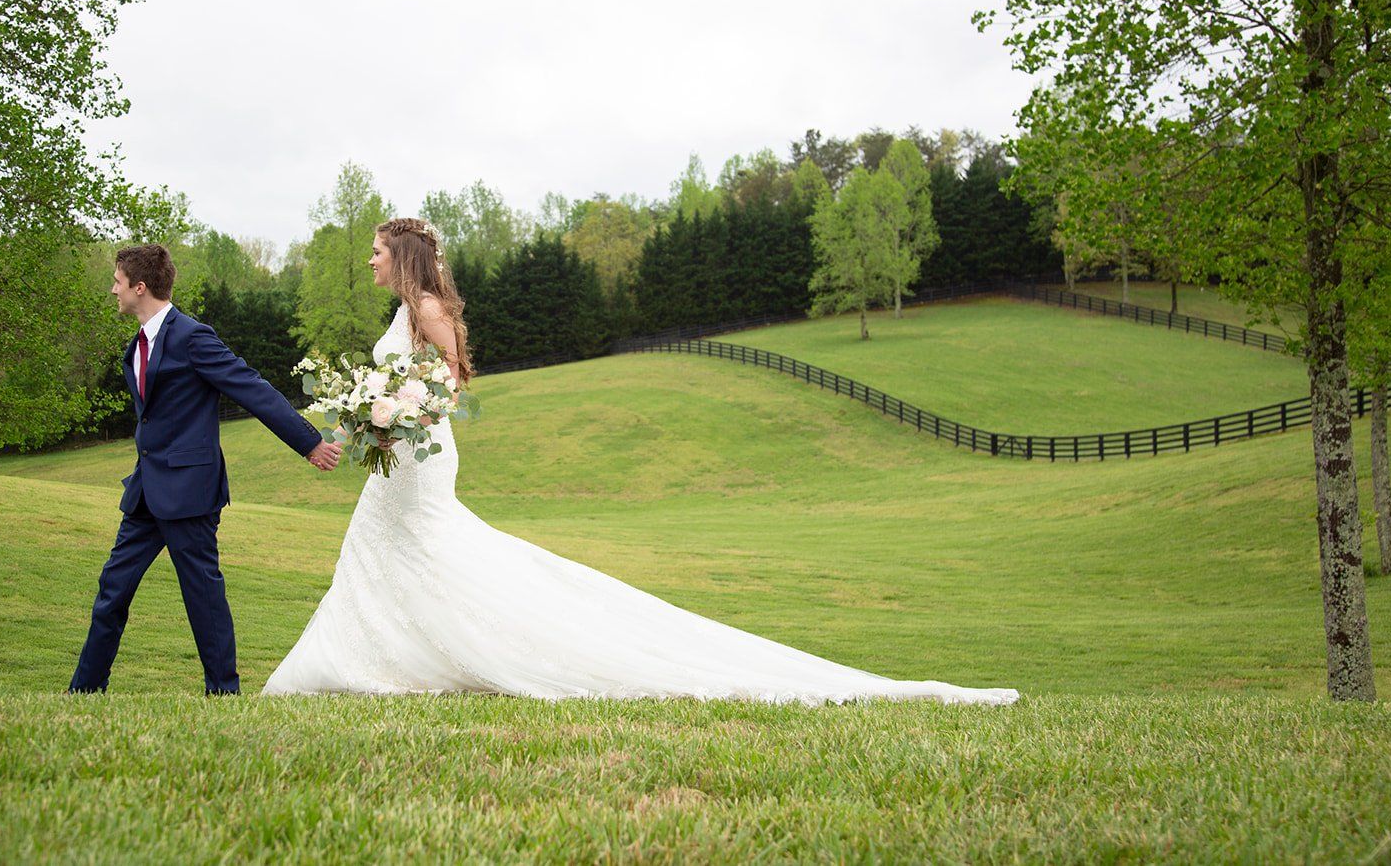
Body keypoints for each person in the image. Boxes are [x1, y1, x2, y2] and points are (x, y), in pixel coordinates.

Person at [263, 219, 1018, 705]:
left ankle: (426, 656)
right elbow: (414, 381)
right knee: (380, 546)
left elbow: (451, 386)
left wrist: (397, 413)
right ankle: (378, 658)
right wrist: (372, 408)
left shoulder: (429, 310)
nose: (368, 259)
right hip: (400, 453)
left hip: (422, 457)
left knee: (433, 552)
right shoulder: (400, 314)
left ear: (406, 257)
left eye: (376, 250)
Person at [69, 244, 341, 695]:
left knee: (203, 598)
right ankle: (84, 690)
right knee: (112, 589)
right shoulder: (136, 345)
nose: (112, 289)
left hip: (190, 491)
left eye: (117, 281)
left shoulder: (192, 337)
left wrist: (309, 442)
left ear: (140, 288)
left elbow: (250, 387)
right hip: (145, 492)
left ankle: (223, 692)